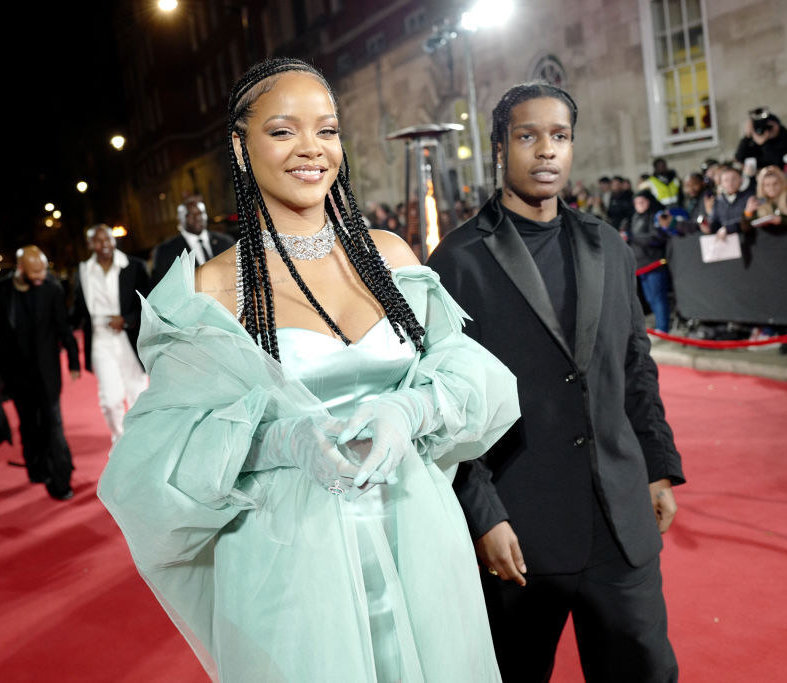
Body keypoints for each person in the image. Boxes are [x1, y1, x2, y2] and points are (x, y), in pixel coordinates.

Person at [98, 57, 520, 682]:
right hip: (293, 565)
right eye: (282, 130)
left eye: (327, 130)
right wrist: (281, 440)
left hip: (421, 538)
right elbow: (157, 462)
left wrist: (412, 409)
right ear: (241, 151)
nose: (311, 149)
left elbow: (469, 376)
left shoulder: (390, 256)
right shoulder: (210, 293)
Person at [427, 81, 684, 682]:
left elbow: (634, 365)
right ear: (500, 148)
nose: (546, 151)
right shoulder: (456, 261)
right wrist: (484, 515)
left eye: (559, 137)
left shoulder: (608, 245)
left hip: (620, 521)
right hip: (520, 532)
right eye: (528, 136)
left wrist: (656, 465)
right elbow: (447, 409)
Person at [0, 246, 81, 500]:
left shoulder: (52, 289)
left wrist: (73, 360)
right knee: (28, 424)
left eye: (43, 269)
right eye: (35, 271)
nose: (41, 275)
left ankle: (62, 480)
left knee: (53, 425)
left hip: (47, 372)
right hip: (15, 374)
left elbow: (63, 327)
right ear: (20, 268)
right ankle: (37, 469)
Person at [72, 225, 150, 442]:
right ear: (90, 245)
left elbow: (149, 301)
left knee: (138, 393)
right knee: (110, 399)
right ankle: (120, 439)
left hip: (129, 337)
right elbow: (78, 309)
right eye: (98, 241)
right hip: (100, 339)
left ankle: (141, 439)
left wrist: (126, 320)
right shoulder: (83, 271)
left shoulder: (134, 266)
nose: (104, 244)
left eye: (108, 239)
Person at [151, 197, 235, 284]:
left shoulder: (226, 242)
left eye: (200, 213)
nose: (198, 217)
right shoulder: (164, 251)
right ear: (180, 219)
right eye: (191, 214)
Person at [626, 190, 674, 333]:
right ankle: (660, 324)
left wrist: (634, 237)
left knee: (658, 297)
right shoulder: (634, 217)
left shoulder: (656, 216)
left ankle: (663, 327)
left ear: (649, 201)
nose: (639, 205)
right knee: (650, 298)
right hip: (640, 265)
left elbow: (657, 239)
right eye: (636, 202)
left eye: (642, 202)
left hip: (654, 264)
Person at [741, 165, 787, 231]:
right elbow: (746, 228)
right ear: (762, 187)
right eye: (767, 185)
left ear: (782, 183)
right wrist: (748, 212)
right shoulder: (759, 201)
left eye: (775, 184)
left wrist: (782, 220)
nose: (771, 188)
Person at [735, 107, 787, 171]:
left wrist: (764, 143)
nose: (765, 129)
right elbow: (739, 158)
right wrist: (747, 137)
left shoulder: (784, 137)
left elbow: (774, 161)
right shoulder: (752, 141)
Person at [708, 163, 753, 235]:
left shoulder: (750, 197)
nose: (730, 183)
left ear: (741, 179)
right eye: (726, 180)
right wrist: (707, 225)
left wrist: (728, 228)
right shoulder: (718, 200)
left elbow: (751, 221)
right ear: (721, 183)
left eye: (734, 179)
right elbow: (713, 221)